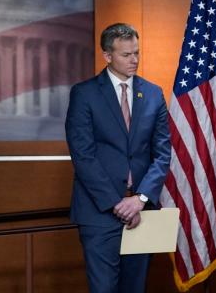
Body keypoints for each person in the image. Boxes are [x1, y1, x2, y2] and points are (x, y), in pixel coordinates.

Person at [66, 23, 172, 293]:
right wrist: (117, 204)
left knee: (135, 288)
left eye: (137, 53)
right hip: (99, 213)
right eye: (126, 55)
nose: (134, 60)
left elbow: (162, 154)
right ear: (107, 55)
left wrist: (140, 199)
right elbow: (83, 156)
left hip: (142, 211)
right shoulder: (84, 94)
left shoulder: (152, 94)